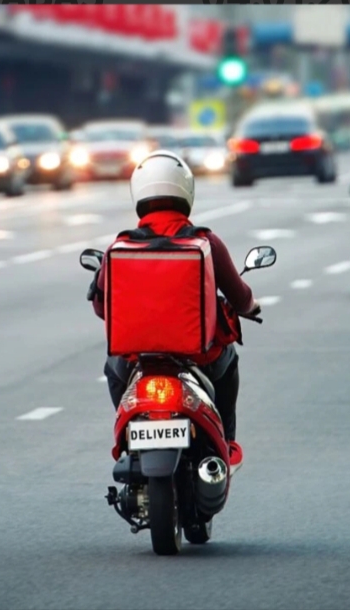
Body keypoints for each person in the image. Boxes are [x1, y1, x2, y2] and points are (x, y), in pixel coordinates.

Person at [87, 150, 260, 470]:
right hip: (199, 358)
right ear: (186, 192)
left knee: (113, 369)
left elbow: (101, 307)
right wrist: (250, 306)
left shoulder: (119, 246)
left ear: (138, 193)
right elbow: (239, 295)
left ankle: (126, 441)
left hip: (136, 359)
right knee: (229, 361)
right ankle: (227, 446)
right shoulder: (206, 241)